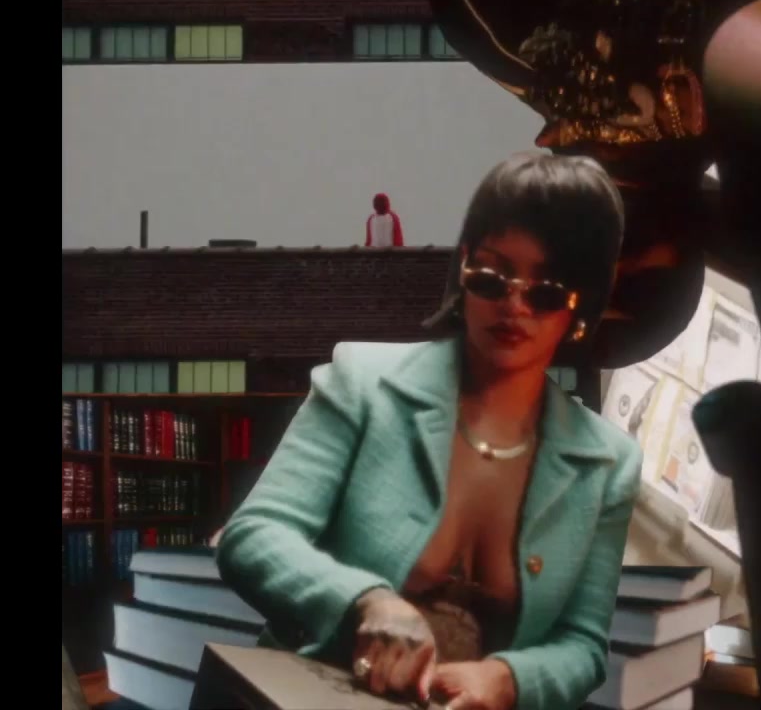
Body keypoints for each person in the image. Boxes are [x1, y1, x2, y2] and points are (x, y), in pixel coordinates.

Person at [216, 152, 640, 710]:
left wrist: (506, 679)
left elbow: (583, 645)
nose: (513, 305)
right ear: (463, 269)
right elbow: (252, 536)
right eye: (492, 278)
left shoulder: (608, 462)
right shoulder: (363, 383)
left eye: (545, 293)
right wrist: (366, 602)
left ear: (580, 307)